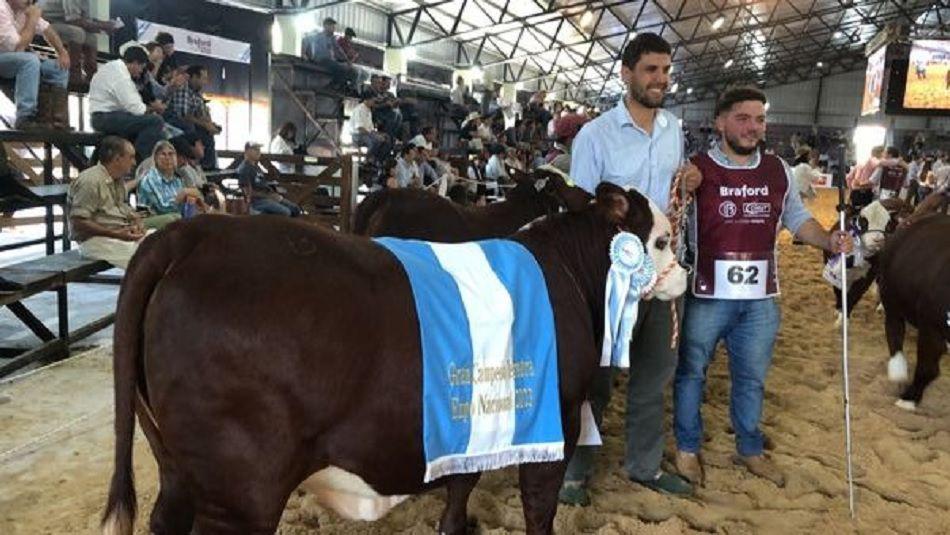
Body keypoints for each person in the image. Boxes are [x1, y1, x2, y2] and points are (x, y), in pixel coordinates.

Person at [673, 86, 852, 488]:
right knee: (691, 373)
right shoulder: (695, 167)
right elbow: (668, 219)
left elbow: (797, 219)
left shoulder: (778, 170)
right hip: (706, 294)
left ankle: (750, 449)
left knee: (751, 377)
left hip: (760, 299)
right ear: (720, 122)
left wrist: (827, 240)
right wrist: (683, 187)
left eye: (759, 119)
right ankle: (687, 448)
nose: (753, 127)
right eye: (743, 118)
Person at [560, 32, 703, 504]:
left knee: (653, 376)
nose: (660, 79)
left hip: (661, 275)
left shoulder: (673, 130)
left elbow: (671, 197)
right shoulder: (595, 135)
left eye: (665, 70)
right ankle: (574, 474)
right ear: (627, 74)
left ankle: (643, 466)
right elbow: (581, 212)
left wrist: (690, 178)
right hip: (611, 282)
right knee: (594, 382)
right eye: (650, 70)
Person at [67, 136, 145, 269]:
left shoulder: (117, 179)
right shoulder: (91, 181)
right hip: (95, 241)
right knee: (149, 259)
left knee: (163, 242)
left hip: (115, 236)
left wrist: (135, 220)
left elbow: (120, 208)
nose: (134, 162)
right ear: (117, 159)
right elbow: (78, 223)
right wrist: (116, 234)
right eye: (131, 157)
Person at [0, 0, 70, 129]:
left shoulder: (24, 9)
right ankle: (25, 117)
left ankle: (56, 118)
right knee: (30, 61)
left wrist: (62, 52)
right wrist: (32, 19)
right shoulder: (1, 9)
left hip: (16, 58)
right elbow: (18, 46)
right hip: (3, 57)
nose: (29, 1)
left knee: (59, 68)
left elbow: (47, 29)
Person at [89, 46, 166, 160]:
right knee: (156, 122)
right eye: (141, 68)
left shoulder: (113, 68)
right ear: (135, 63)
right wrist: (154, 109)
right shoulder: (121, 76)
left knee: (155, 131)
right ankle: (137, 162)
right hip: (105, 118)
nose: (140, 72)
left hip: (104, 116)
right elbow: (136, 108)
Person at [41, 0, 115, 87]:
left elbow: (85, 20)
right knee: (77, 33)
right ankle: (73, 75)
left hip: (64, 23)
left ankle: (91, 76)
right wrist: (102, 26)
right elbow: (74, 21)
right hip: (48, 24)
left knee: (91, 38)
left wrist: (105, 25)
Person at [136, 140, 204, 227]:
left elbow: (185, 203)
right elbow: (163, 208)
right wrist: (182, 195)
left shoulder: (177, 180)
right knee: (174, 219)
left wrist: (190, 201)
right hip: (150, 218)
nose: (167, 158)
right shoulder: (150, 178)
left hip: (174, 217)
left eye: (171, 154)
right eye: (163, 154)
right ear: (156, 159)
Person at [165, 65, 219, 170]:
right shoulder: (183, 89)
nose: (205, 82)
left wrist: (210, 124)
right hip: (173, 121)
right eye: (203, 78)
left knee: (207, 132)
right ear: (194, 77)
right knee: (193, 128)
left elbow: (200, 114)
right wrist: (205, 125)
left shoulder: (196, 93)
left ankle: (209, 166)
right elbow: (183, 115)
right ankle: (200, 164)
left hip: (187, 123)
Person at [238, 141, 301, 217]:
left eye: (259, 149)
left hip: (267, 197)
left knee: (295, 209)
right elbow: (248, 193)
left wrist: (272, 194)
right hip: (257, 202)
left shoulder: (256, 167)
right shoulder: (245, 169)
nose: (258, 152)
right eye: (255, 149)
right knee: (285, 212)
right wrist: (269, 196)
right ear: (247, 151)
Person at [302, 17, 356, 92]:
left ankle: (345, 88)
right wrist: (304, 54)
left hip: (330, 61)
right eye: (332, 27)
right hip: (321, 60)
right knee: (340, 69)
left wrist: (348, 61)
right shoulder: (318, 36)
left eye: (334, 27)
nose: (334, 29)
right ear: (325, 26)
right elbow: (305, 40)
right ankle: (332, 85)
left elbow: (339, 50)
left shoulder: (332, 38)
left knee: (352, 71)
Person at [846, 145, 882, 210]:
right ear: (879, 154)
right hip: (867, 191)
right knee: (865, 213)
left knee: (852, 211)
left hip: (855, 191)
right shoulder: (875, 162)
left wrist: (851, 189)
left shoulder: (860, 164)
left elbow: (848, 177)